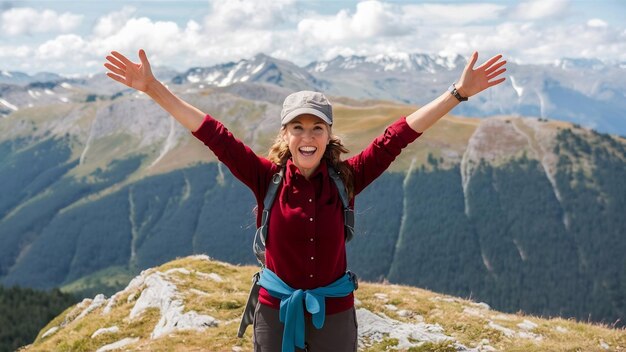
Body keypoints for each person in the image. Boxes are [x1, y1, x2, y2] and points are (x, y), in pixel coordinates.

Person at [104, 49, 506, 352]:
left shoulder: (347, 178)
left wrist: (457, 93)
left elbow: (399, 135)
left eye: (317, 127)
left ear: (329, 135)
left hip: (334, 313)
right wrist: (153, 88)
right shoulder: (265, 177)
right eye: (298, 127)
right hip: (274, 312)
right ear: (286, 135)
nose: (308, 136)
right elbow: (212, 133)